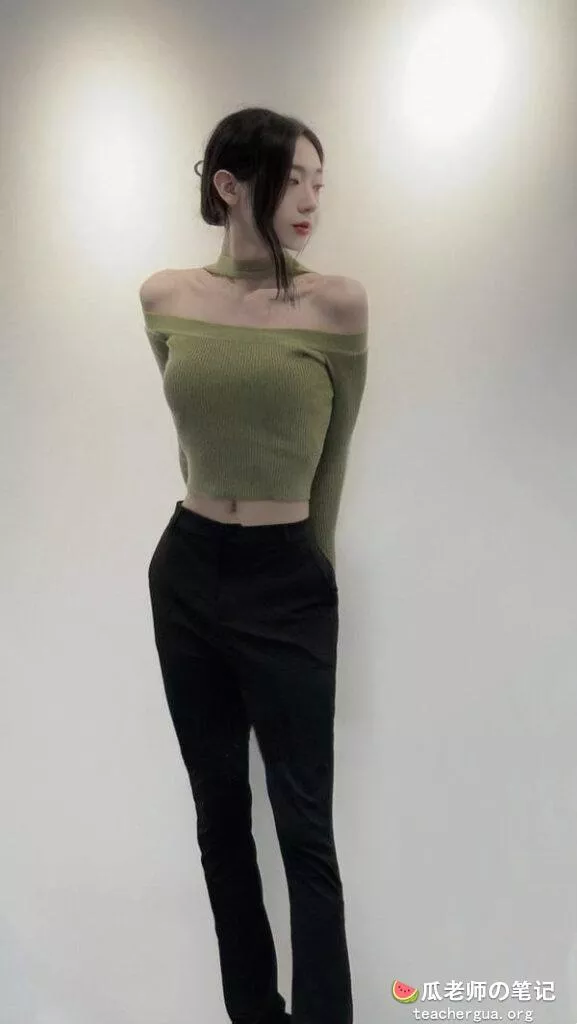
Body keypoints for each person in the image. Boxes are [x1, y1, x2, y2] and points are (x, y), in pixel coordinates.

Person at [140, 106, 368, 1024]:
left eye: (319, 181)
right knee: (219, 818)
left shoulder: (335, 305)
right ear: (230, 187)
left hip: (287, 579)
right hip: (187, 571)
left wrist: (309, 571)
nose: (312, 198)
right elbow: (194, 434)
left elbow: (334, 456)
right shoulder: (165, 297)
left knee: (304, 828)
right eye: (294, 179)